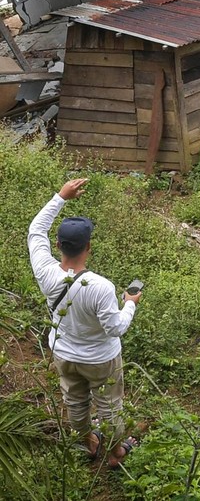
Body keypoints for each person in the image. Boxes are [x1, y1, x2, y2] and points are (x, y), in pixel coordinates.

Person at [28, 178, 141, 468]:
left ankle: (88, 443)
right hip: (101, 359)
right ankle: (116, 453)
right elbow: (115, 328)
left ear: (58, 245)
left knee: (75, 402)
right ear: (88, 246)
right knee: (109, 406)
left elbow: (35, 230)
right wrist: (129, 304)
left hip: (64, 354)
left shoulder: (45, 271)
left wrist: (60, 197)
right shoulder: (100, 286)